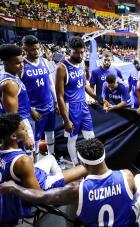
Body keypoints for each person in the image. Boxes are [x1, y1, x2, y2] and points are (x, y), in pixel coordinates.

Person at [0, 138, 140, 227]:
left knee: (75, 205)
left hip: (84, 207)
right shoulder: (127, 175)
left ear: (82, 163)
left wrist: (14, 188)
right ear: (104, 156)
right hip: (128, 223)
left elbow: (42, 197)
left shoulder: (76, 189)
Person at [0, 113, 87, 225]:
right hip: (43, 183)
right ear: (13, 136)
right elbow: (39, 195)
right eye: (23, 129)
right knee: (85, 168)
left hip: (30, 175)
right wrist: (62, 194)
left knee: (50, 157)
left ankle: (61, 180)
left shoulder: (4, 149)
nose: (27, 130)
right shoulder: (23, 161)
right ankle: (82, 208)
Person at [55, 36, 101, 166]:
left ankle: (91, 163)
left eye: (82, 52)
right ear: (69, 51)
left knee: (90, 136)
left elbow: (84, 85)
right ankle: (76, 164)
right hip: (71, 107)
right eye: (76, 52)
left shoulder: (81, 63)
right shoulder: (61, 68)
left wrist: (98, 98)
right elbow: (59, 96)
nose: (80, 55)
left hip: (83, 105)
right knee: (72, 138)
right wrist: (65, 120)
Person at [21, 35, 58, 159]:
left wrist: (56, 101)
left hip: (49, 105)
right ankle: (35, 164)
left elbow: (51, 83)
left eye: (38, 48)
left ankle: (52, 156)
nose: (36, 52)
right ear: (25, 49)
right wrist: (30, 109)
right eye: (33, 49)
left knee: (50, 133)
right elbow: (20, 92)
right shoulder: (21, 66)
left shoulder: (45, 61)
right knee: (35, 138)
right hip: (35, 109)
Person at [0, 44, 34, 154]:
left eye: (22, 61)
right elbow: (13, 116)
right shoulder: (10, 84)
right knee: (27, 159)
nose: (21, 65)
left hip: (23, 119)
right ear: (5, 63)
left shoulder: (12, 75)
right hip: (19, 125)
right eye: (17, 63)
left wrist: (31, 110)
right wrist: (25, 136)